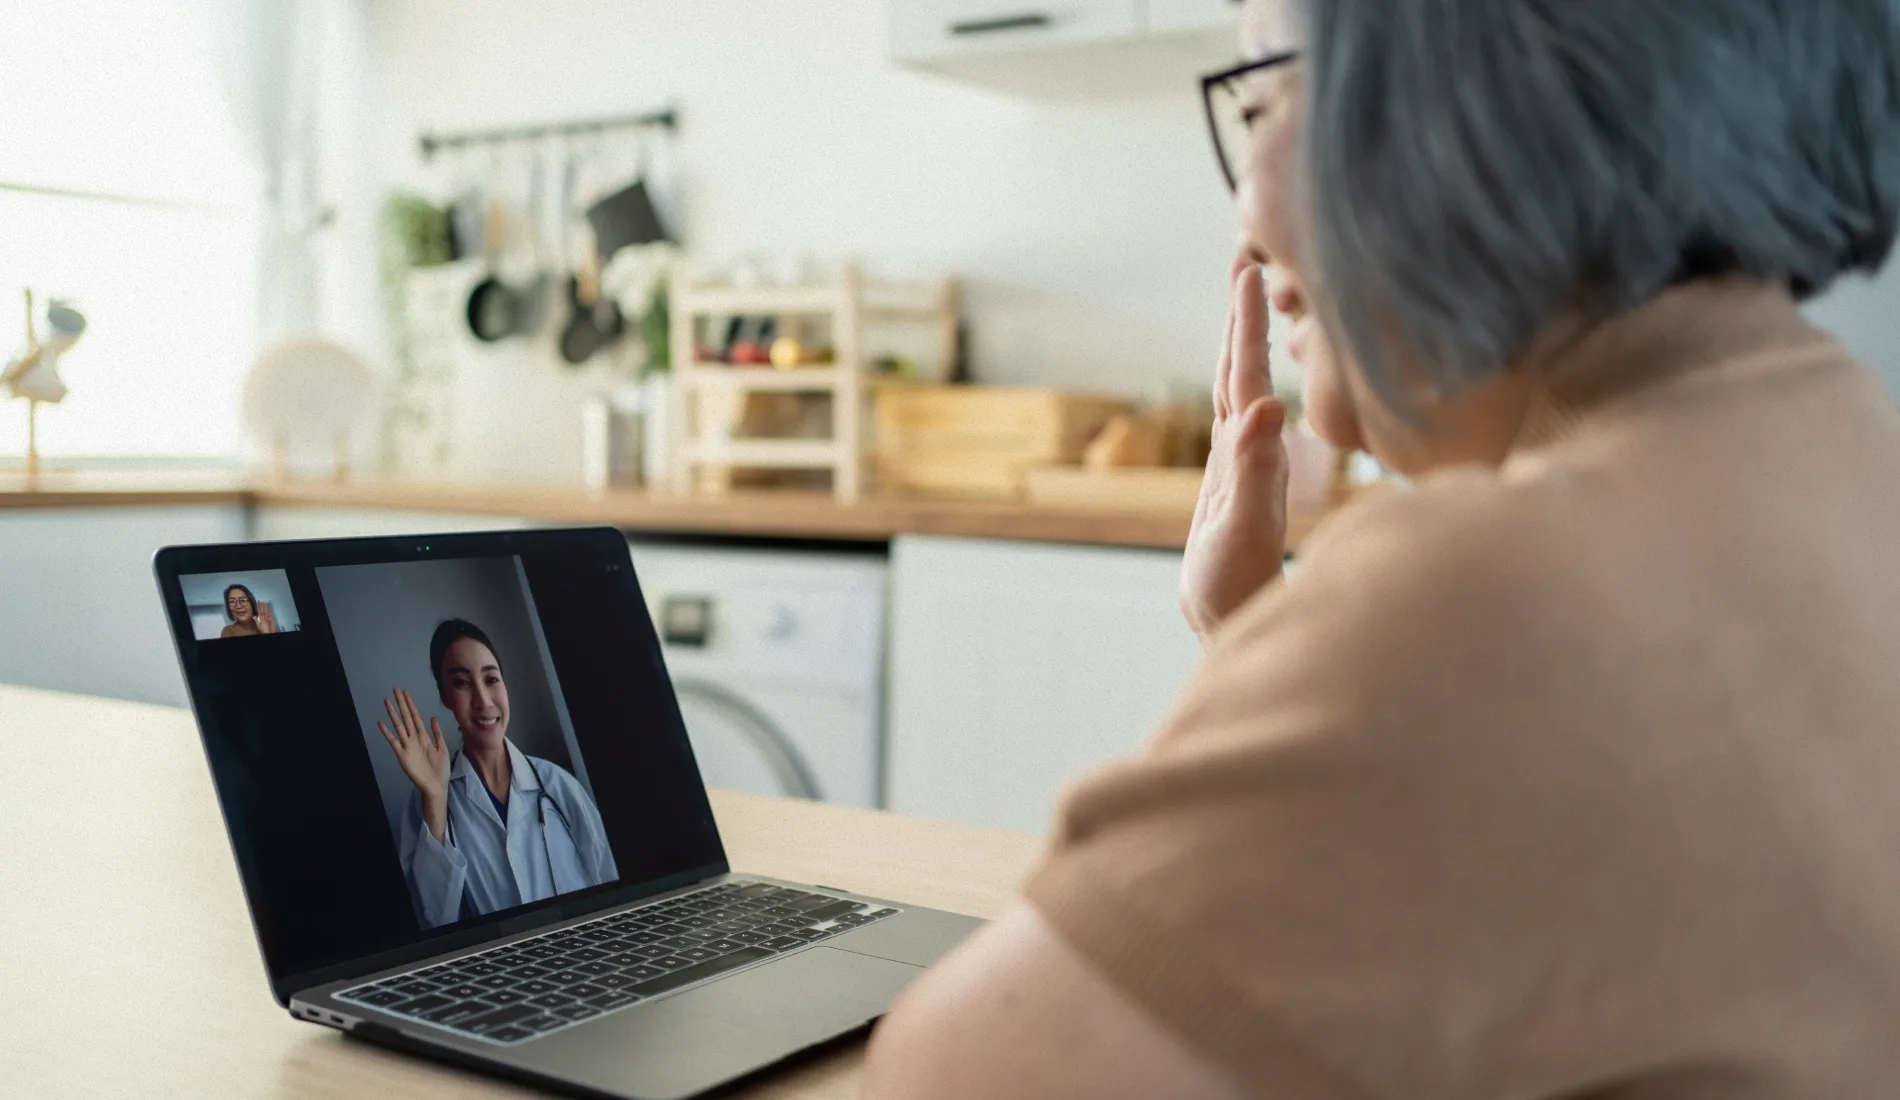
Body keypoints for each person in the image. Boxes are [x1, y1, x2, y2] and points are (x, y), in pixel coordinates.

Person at [863, 0, 1900, 1097]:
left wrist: (1305, 653)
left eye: (1263, 96)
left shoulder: (1474, 604)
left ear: (1466, 92)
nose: (1244, 217)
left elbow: (951, 1073)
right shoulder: (1851, 463)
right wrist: (1261, 641)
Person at [379, 618, 618, 929]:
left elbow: (612, 891)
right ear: (444, 696)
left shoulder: (559, 786)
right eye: (462, 683)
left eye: (491, 679)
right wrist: (436, 801)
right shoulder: (424, 806)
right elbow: (433, 922)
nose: (483, 701)